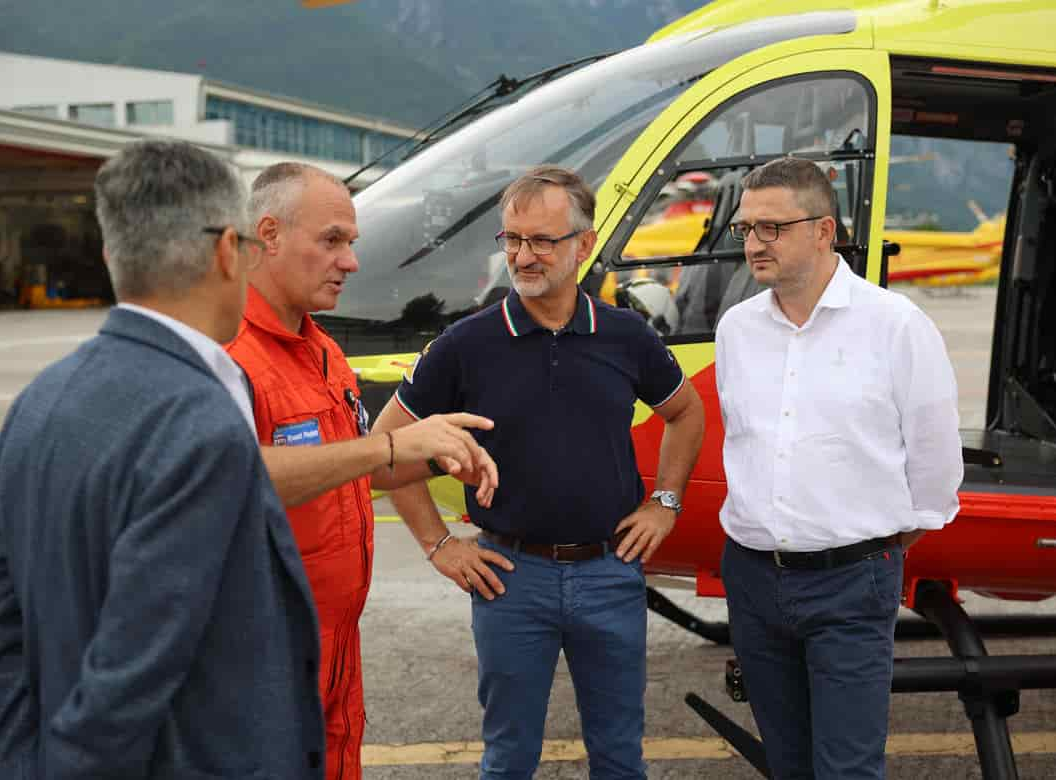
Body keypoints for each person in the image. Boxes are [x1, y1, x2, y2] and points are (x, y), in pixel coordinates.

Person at [0, 140, 327, 778]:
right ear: (226, 251)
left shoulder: (39, 400)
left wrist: (25, 763)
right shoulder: (201, 423)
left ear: (112, 254)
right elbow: (135, 666)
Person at [374, 165, 706, 780]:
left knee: (619, 756)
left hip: (611, 574)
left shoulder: (625, 336)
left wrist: (665, 501)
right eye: (512, 240)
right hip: (509, 580)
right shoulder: (466, 344)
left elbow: (687, 413)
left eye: (542, 240)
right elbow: (384, 443)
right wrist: (437, 544)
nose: (524, 256)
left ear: (583, 244)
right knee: (508, 759)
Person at [227, 161, 498, 780]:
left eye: (351, 243)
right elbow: (237, 476)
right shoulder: (227, 349)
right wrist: (389, 448)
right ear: (267, 233)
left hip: (333, 643)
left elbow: (344, 470)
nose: (350, 262)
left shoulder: (319, 348)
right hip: (264, 651)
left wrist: (440, 452)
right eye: (331, 241)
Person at [715, 156, 963, 780]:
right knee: (789, 764)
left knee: (848, 768)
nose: (754, 243)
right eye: (746, 229)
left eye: (772, 228)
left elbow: (935, 463)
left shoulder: (896, 325)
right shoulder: (737, 330)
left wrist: (875, 542)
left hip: (852, 580)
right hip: (751, 579)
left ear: (824, 231)